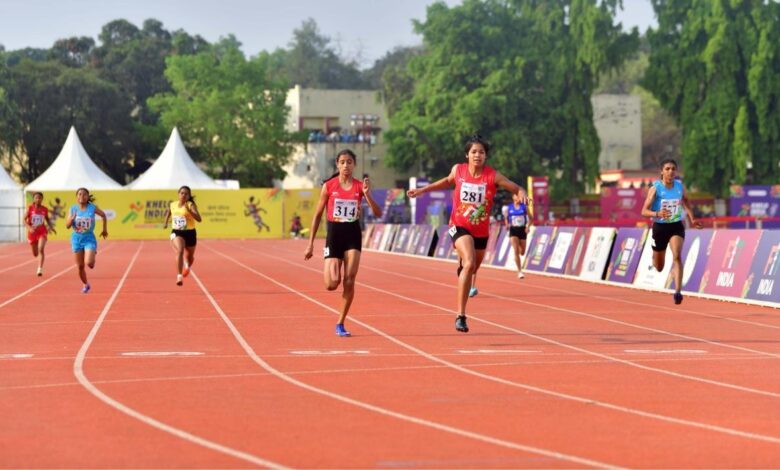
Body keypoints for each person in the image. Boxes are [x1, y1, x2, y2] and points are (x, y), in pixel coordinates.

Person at [407, 134, 528, 333]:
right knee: (470, 262)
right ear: (467, 155)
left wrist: (522, 193)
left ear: (486, 156)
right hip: (458, 225)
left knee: (472, 268)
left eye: (481, 152)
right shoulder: (459, 170)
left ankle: (463, 267)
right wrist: (422, 190)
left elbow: (516, 188)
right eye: (473, 152)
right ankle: (461, 315)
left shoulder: (493, 176)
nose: (477, 155)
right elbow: (446, 181)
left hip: (481, 230)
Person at [304, 149, 382, 337]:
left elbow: (378, 214)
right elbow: (317, 216)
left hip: (352, 235)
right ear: (337, 165)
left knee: (350, 279)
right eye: (342, 162)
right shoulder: (329, 186)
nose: (346, 165)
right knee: (331, 284)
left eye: (349, 162)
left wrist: (367, 194)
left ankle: (340, 322)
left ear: (354, 165)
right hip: (334, 234)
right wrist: (311, 244)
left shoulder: (359, 187)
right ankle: (334, 265)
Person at [640, 158, 702, 304]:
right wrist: (657, 214)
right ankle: (654, 258)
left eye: (673, 168)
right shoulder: (655, 188)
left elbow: (685, 201)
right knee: (659, 267)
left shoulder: (680, 186)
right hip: (660, 227)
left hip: (675, 225)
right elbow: (644, 211)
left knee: (677, 256)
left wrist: (692, 219)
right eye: (667, 169)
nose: (670, 171)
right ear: (661, 172)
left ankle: (678, 292)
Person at [65, 188, 108, 293]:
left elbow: (103, 215)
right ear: (76, 197)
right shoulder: (73, 209)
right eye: (79, 194)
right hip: (77, 239)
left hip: (89, 238)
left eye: (84, 194)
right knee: (80, 266)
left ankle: (92, 253)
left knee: (90, 263)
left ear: (88, 197)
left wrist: (104, 230)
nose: (82, 196)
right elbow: (67, 226)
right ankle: (85, 284)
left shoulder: (92, 208)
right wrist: (71, 219)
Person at [163, 186, 202, 286]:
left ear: (189, 196)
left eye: (186, 194)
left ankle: (187, 264)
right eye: (182, 193)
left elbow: (199, 219)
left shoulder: (190, 205)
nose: (183, 195)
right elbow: (169, 211)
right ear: (178, 194)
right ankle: (179, 276)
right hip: (177, 232)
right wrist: (166, 222)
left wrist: (189, 211)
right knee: (180, 251)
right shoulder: (173, 204)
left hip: (190, 233)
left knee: (190, 257)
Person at [25, 191, 55, 276]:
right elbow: (24, 220)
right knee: (35, 254)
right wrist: (29, 228)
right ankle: (38, 256)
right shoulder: (30, 208)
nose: (38, 199)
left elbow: (47, 219)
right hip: (32, 233)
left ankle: (39, 269)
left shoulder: (44, 209)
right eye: (36, 198)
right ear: (34, 199)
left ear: (42, 199)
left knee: (41, 248)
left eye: (40, 198)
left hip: (42, 231)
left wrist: (51, 227)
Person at [505, 191, 532, 279]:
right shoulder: (509, 207)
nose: (518, 197)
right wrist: (507, 224)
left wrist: (528, 226)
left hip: (522, 230)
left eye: (519, 196)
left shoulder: (524, 207)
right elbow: (506, 218)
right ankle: (519, 271)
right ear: (513, 197)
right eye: (516, 196)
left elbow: (531, 218)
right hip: (513, 230)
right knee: (515, 251)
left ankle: (518, 256)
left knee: (522, 252)